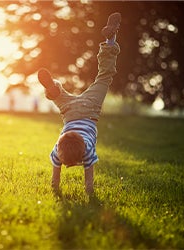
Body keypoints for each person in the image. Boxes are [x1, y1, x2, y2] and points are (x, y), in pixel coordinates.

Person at [37, 12, 121, 195]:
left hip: (89, 109)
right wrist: (88, 194)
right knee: (63, 94)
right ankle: (54, 90)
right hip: (70, 112)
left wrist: (55, 190)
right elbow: (87, 181)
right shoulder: (60, 149)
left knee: (104, 77)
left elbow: (56, 178)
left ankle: (110, 42)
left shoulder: (79, 150)